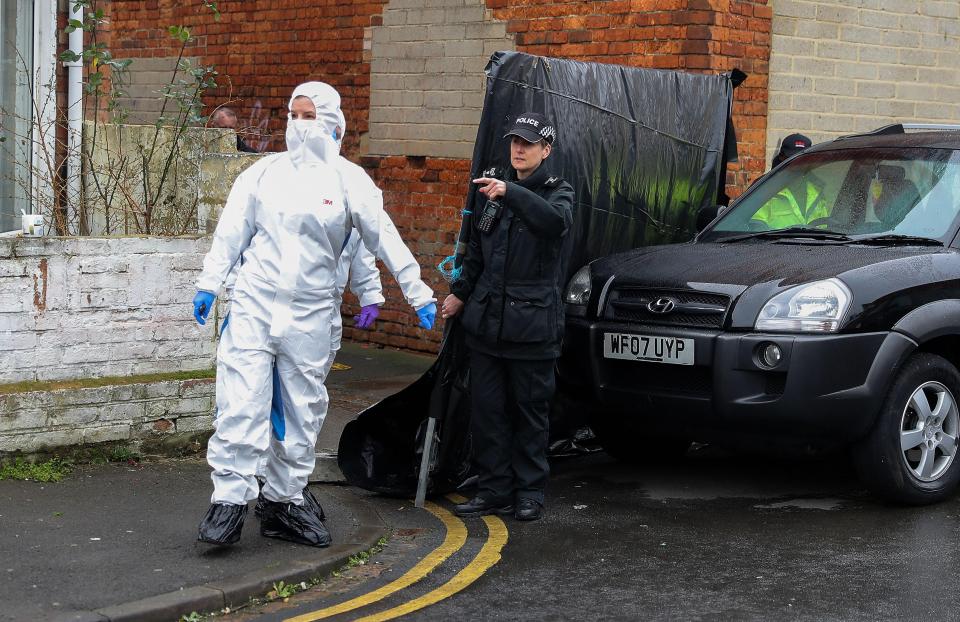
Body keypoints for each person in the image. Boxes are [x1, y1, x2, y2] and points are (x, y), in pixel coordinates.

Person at [192, 81, 437, 547]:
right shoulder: (262, 176)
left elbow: (379, 239)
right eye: (293, 115)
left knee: (301, 414)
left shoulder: (349, 182)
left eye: (309, 116)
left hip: (311, 315)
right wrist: (209, 282)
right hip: (254, 307)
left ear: (332, 123)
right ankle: (228, 503)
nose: (299, 126)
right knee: (240, 406)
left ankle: (283, 501)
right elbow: (231, 234)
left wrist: (413, 290)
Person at [441, 112, 575, 522]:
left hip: (532, 328)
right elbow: (479, 254)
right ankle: (494, 488)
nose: (519, 149)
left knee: (529, 413)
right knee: (488, 412)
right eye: (515, 141)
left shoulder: (557, 191)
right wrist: (459, 295)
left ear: (545, 150)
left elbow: (553, 224)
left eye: (529, 143)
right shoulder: (493, 189)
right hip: (488, 325)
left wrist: (510, 193)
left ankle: (529, 492)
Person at [751, 133, 828, 228]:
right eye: (793, 158)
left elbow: (825, 228)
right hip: (775, 242)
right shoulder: (766, 190)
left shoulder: (817, 192)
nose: (799, 164)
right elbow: (756, 226)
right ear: (782, 158)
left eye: (803, 159)